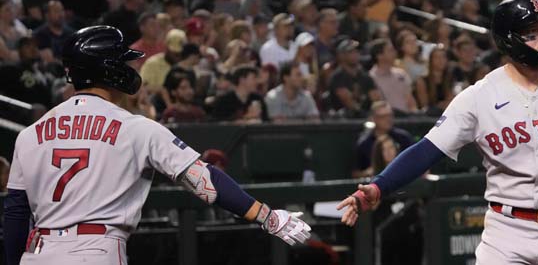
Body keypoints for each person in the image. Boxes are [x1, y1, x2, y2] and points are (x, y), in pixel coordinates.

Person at [336, 0, 538, 264]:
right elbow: (427, 150)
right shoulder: (480, 96)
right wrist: (379, 186)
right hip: (508, 231)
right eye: (532, 32)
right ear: (509, 40)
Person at [3, 26, 311, 265]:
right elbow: (206, 181)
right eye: (124, 61)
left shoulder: (30, 134)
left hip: (38, 252)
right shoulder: (135, 128)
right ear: (110, 68)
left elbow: (16, 215)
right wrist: (266, 216)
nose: (131, 68)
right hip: (96, 251)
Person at [354, 101, 414, 178]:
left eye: (390, 115)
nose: (388, 119)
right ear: (373, 119)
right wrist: (367, 173)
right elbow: (355, 173)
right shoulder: (364, 144)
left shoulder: (403, 138)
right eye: (383, 116)